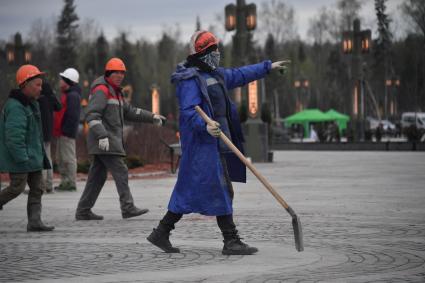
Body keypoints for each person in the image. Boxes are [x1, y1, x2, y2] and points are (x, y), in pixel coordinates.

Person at [147, 30, 290, 255]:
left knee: (188, 191)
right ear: (202, 53)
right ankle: (230, 240)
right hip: (202, 145)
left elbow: (240, 74)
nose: (217, 54)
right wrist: (204, 125)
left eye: (217, 49)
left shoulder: (217, 74)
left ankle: (161, 232)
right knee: (221, 189)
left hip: (219, 142)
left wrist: (267, 67)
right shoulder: (190, 79)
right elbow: (188, 111)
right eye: (213, 50)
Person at [75, 57, 166, 220]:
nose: (120, 75)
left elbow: (129, 111)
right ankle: (127, 207)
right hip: (105, 140)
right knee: (121, 170)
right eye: (117, 72)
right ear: (108, 73)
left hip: (107, 140)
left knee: (97, 176)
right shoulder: (102, 90)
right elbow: (92, 115)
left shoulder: (116, 92)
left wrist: (152, 117)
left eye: (122, 73)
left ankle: (83, 210)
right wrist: (102, 135)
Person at [0, 64, 54, 232]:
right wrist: (22, 158)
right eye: (37, 85)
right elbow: (14, 137)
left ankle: (34, 221)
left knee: (38, 188)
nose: (40, 89)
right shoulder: (16, 107)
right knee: (17, 188)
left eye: (41, 84)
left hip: (33, 157)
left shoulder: (31, 103)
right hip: (22, 158)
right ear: (24, 85)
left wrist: (37, 156)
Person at [53, 68, 81, 191]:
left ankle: (70, 182)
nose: (60, 81)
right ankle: (65, 181)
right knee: (60, 158)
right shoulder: (67, 94)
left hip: (67, 133)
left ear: (68, 81)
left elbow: (72, 116)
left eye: (62, 79)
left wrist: (66, 130)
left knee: (68, 158)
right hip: (62, 132)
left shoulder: (73, 96)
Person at [38, 81, 62, 193]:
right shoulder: (50, 98)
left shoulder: (39, 100)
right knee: (48, 157)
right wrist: (52, 94)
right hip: (49, 132)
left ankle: (41, 185)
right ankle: (49, 184)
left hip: (40, 132)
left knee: (42, 158)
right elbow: (59, 107)